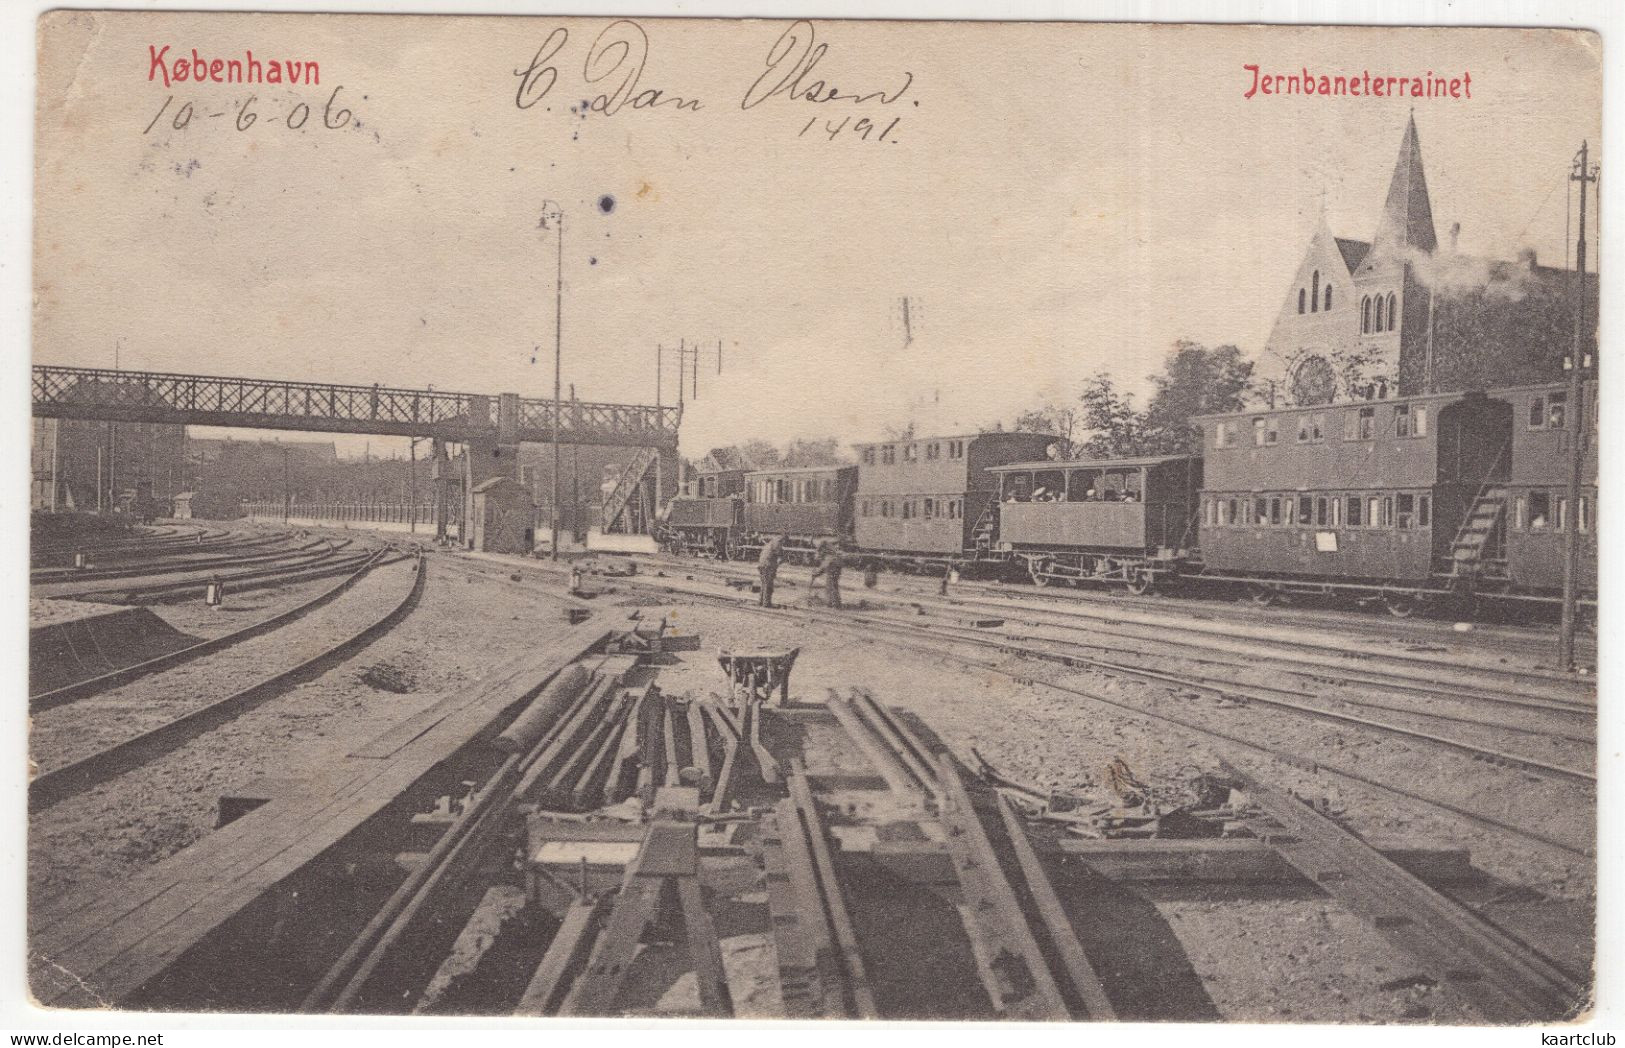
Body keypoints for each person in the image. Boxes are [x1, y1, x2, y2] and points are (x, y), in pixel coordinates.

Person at [809, 541, 845, 609]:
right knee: (833, 585)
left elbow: (824, 566)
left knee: (830, 585)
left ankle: (832, 604)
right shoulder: (831, 552)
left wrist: (816, 573)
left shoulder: (828, 555)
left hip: (833, 567)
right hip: (836, 567)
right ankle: (835, 603)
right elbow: (824, 566)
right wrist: (817, 573)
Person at [757, 534, 785, 608]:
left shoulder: (770, 543)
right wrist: (780, 560)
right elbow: (779, 556)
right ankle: (766, 603)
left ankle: (761, 601)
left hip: (762, 565)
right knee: (768, 585)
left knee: (764, 584)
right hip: (767, 566)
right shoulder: (777, 543)